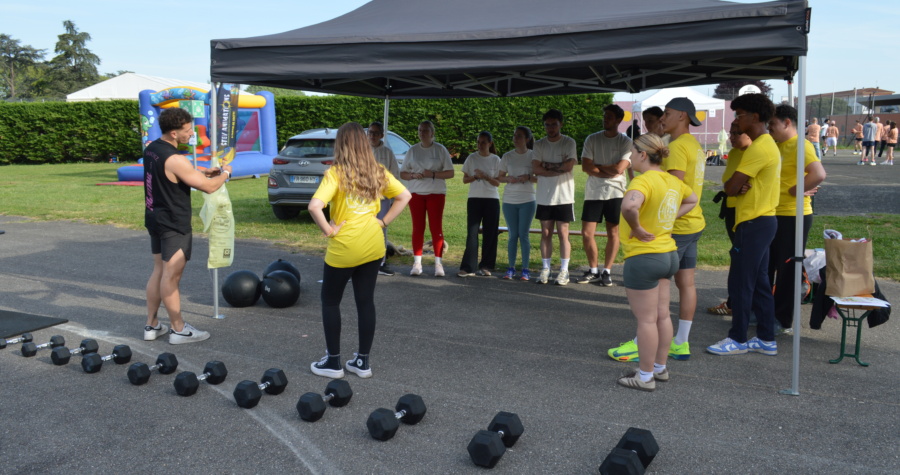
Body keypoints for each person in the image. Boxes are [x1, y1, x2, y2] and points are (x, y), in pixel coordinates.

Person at [308, 122, 411, 379]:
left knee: (330, 301)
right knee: (365, 302)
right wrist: (383, 222)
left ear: (341, 145)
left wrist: (329, 230)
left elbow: (314, 206)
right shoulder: (377, 171)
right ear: (365, 144)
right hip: (373, 246)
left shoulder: (336, 173)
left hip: (344, 248)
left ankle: (333, 363)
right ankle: (362, 362)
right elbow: (405, 196)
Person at [609, 97, 705, 363]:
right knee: (682, 288)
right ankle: (679, 343)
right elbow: (685, 194)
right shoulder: (694, 145)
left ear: (683, 116)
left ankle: (643, 350)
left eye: (668, 113)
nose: (663, 117)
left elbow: (661, 194)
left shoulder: (675, 148)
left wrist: (642, 225)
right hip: (691, 224)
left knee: (649, 315)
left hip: (666, 233)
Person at [615, 133, 698, 391]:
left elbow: (629, 207)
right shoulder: (672, 180)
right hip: (668, 255)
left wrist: (637, 227)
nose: (630, 157)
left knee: (646, 320)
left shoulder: (642, 181)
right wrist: (669, 218)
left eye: (632, 152)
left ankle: (645, 376)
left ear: (642, 154)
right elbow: (693, 199)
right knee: (662, 316)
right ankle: (659, 368)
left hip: (644, 257)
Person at [143, 107, 232, 344]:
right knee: (171, 277)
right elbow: (209, 187)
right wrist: (226, 173)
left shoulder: (152, 149)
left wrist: (202, 172)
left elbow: (172, 175)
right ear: (174, 133)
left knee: (159, 271)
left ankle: (152, 325)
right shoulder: (176, 159)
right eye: (188, 130)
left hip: (155, 217)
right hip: (173, 223)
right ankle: (178, 329)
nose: (192, 133)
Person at [707, 93, 780, 357]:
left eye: (739, 115)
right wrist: (735, 187)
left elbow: (730, 187)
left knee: (741, 282)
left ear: (755, 117)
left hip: (754, 222)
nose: (736, 121)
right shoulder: (765, 144)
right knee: (759, 283)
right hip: (761, 221)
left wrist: (735, 187)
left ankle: (737, 338)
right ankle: (766, 338)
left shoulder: (759, 147)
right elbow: (733, 186)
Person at [767, 105, 826, 334]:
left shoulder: (801, 145)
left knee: (787, 269)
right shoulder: (777, 145)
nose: (769, 128)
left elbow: (818, 174)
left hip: (793, 215)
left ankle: (782, 319)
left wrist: (795, 190)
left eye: (773, 124)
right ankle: (765, 312)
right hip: (774, 213)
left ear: (786, 122)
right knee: (769, 265)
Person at [577, 104, 632, 286]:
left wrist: (598, 167)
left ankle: (607, 271)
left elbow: (619, 169)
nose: (605, 119)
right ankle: (593, 270)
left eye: (609, 117)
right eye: (605, 116)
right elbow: (586, 166)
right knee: (587, 233)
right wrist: (608, 169)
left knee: (613, 232)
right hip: (593, 192)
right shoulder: (592, 139)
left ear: (619, 120)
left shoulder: (625, 142)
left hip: (616, 191)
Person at [706, 123, 753, 317]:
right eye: (730, 133)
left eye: (736, 133)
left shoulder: (757, 152)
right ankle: (734, 302)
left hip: (749, 212)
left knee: (746, 260)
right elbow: (728, 183)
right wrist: (733, 186)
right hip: (732, 209)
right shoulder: (733, 154)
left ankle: (740, 304)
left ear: (750, 133)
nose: (730, 137)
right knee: (737, 255)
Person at [399, 120, 455, 276]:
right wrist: (412, 175)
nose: (422, 133)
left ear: (432, 133)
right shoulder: (412, 150)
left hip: (436, 193)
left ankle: (438, 264)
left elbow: (450, 173)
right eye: (420, 130)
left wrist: (433, 174)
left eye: (425, 130)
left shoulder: (440, 149)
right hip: (416, 193)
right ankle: (417, 263)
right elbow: (403, 173)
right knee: (418, 228)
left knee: (436, 228)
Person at [532, 109, 578, 285]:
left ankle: (564, 270)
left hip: (564, 195)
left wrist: (547, 166)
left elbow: (569, 166)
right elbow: (535, 168)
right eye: (547, 125)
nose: (550, 128)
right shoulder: (539, 144)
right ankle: (546, 269)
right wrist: (557, 167)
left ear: (561, 124)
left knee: (563, 233)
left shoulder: (569, 142)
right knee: (545, 232)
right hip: (544, 196)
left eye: (554, 124)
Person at [458, 132, 501, 277]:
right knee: (472, 232)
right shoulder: (471, 158)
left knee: (490, 233)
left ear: (490, 143)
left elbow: (498, 183)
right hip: (474, 199)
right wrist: (476, 176)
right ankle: (468, 267)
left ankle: (486, 265)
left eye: (483, 142)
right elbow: (465, 180)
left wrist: (486, 177)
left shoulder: (496, 159)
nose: (480, 145)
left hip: (491, 199)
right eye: (478, 142)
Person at [498, 126, 537, 280]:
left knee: (524, 235)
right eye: (514, 136)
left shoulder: (533, 155)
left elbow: (540, 178)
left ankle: (525, 269)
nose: (515, 139)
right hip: (509, 200)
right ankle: (511, 268)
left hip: (527, 200)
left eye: (519, 136)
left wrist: (528, 177)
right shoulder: (507, 156)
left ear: (527, 139)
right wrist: (508, 179)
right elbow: (499, 177)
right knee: (513, 235)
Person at [367, 121, 401, 276]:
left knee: (382, 228)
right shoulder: (362, 150)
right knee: (364, 227)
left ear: (381, 135)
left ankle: (381, 262)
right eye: (370, 133)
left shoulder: (387, 153)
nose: (372, 136)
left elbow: (394, 174)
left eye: (376, 133)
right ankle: (365, 260)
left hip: (382, 198)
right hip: (365, 198)